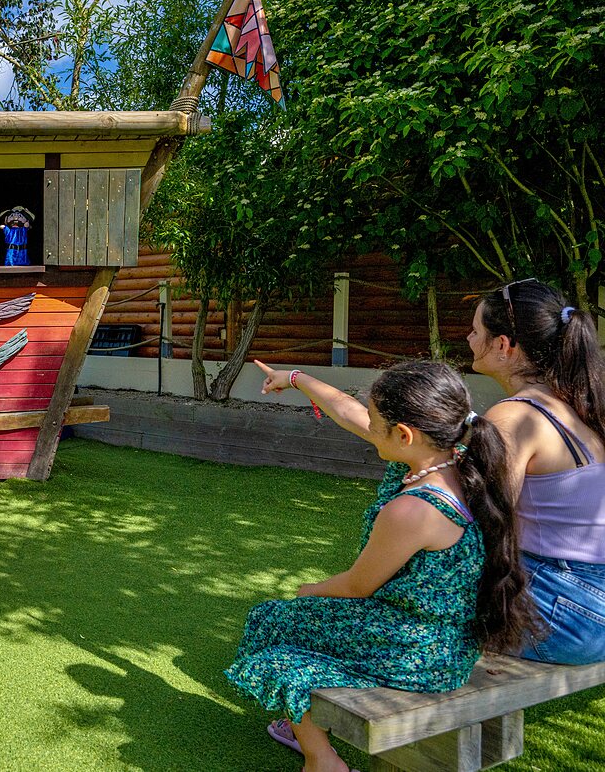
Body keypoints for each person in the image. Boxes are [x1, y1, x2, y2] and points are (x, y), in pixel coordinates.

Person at [229, 360, 537, 772]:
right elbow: (348, 411)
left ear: (404, 433)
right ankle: (303, 724)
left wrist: (308, 590)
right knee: (278, 621)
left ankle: (322, 761)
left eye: (376, 424)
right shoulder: (460, 464)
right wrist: (296, 379)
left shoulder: (413, 509)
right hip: (445, 637)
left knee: (272, 633)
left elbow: (358, 586)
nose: (368, 428)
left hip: (419, 651)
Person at [468, 278, 605, 664]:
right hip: (590, 605)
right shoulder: (580, 404)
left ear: (503, 345)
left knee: (417, 601)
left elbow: (484, 525)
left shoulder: (514, 416)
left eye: (476, 330)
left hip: (571, 613)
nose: (468, 338)